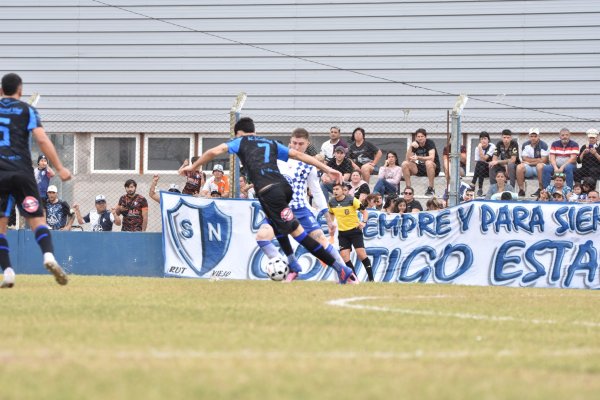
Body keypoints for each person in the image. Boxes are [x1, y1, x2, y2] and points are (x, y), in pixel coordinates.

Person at [179, 117, 358, 284]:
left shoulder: (239, 141)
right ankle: (293, 264)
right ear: (254, 131)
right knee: (276, 223)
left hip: (269, 192)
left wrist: (193, 166)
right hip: (284, 190)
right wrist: (328, 169)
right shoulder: (270, 143)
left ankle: (340, 269)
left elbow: (213, 151)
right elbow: (299, 155)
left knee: (300, 235)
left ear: (238, 133)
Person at [0, 72, 71, 287]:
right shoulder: (27, 110)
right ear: (20, 90)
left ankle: (9, 272)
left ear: (1, 90)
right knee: (37, 221)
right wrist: (59, 168)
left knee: (1, 228)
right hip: (22, 172)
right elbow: (41, 139)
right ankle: (48, 256)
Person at [255, 127, 347, 282]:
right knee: (262, 237)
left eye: (301, 144)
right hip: (279, 210)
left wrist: (328, 219)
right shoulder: (276, 160)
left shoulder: (308, 165)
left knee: (322, 242)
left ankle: (345, 274)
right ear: (290, 142)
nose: (297, 147)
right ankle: (288, 265)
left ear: (307, 144)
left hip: (300, 210)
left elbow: (316, 192)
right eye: (294, 143)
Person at [328, 182, 374, 281]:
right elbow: (331, 213)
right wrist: (331, 224)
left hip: (355, 231)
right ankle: (355, 280)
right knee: (345, 258)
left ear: (343, 190)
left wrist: (364, 222)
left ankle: (371, 279)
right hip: (342, 233)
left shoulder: (352, 200)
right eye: (334, 189)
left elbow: (364, 211)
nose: (335, 191)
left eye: (337, 189)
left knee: (361, 255)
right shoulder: (331, 202)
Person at [401, 128, 441, 196]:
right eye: (418, 137)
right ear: (416, 137)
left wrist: (418, 157)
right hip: (420, 168)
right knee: (404, 164)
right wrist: (411, 147)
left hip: (433, 168)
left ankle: (431, 188)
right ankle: (408, 189)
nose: (420, 138)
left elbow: (431, 158)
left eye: (422, 136)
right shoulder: (415, 144)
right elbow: (407, 159)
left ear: (425, 137)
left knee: (428, 162)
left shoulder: (430, 143)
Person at [516, 128, 549, 198]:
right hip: (529, 168)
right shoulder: (525, 144)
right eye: (531, 136)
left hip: (539, 168)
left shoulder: (543, 145)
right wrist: (537, 159)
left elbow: (544, 160)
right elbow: (524, 158)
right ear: (529, 136)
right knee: (519, 167)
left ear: (539, 136)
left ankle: (541, 189)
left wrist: (530, 162)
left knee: (539, 166)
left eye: (535, 136)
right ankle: (521, 190)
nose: (533, 138)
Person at [470, 131, 496, 197]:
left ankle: (473, 183)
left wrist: (480, 148)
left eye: (485, 138)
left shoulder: (492, 146)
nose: (483, 140)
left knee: (480, 162)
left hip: (491, 169)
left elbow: (484, 158)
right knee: (480, 166)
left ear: (488, 140)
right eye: (481, 139)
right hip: (482, 171)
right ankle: (480, 189)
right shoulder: (477, 148)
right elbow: (476, 163)